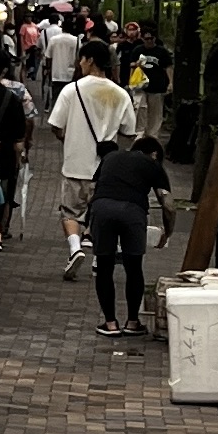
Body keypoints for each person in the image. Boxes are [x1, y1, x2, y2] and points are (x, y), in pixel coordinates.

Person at [48, 56, 137, 277]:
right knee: (101, 214)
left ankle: (75, 248)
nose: (79, 64)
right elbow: (129, 131)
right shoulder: (120, 94)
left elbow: (56, 125)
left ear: (90, 60)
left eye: (82, 59)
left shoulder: (72, 90)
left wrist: (67, 138)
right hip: (106, 168)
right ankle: (100, 258)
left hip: (75, 163)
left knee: (70, 211)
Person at [84, 134, 171, 340]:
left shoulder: (111, 157)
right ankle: (132, 322)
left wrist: (90, 221)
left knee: (104, 266)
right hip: (133, 212)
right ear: (154, 153)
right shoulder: (152, 164)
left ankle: (110, 324)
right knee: (134, 267)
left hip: (102, 208)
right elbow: (168, 204)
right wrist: (167, 232)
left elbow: (91, 191)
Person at [0, 55, 34, 249]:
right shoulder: (12, 97)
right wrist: (21, 155)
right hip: (4, 154)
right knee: (2, 192)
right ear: (4, 70)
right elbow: (20, 136)